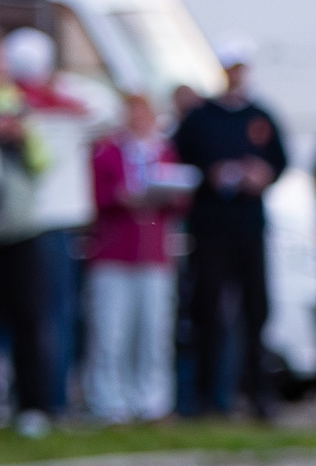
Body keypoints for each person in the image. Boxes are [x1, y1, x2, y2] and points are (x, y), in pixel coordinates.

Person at [172, 37, 287, 420]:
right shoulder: (200, 118)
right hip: (211, 227)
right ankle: (207, 397)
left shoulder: (260, 116)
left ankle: (258, 394)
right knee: (207, 309)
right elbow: (179, 160)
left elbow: (280, 161)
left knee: (256, 310)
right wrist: (212, 174)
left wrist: (263, 174)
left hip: (249, 226)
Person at [8, 28, 119, 424]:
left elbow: (109, 111)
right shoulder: (30, 107)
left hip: (40, 224)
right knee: (44, 315)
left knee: (46, 315)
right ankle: (43, 399)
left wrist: (52, 95)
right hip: (30, 225)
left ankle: (48, 398)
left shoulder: (39, 105)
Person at [86, 89, 191, 423]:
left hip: (154, 254)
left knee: (153, 331)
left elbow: (180, 199)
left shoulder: (164, 151)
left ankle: (153, 400)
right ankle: (109, 400)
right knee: (111, 331)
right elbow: (95, 195)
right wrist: (120, 196)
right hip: (114, 252)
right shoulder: (107, 151)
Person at [0, 39, 52, 435]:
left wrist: (19, 135)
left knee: (27, 320)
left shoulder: (17, 103)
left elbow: (43, 159)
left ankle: (33, 406)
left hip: (17, 231)